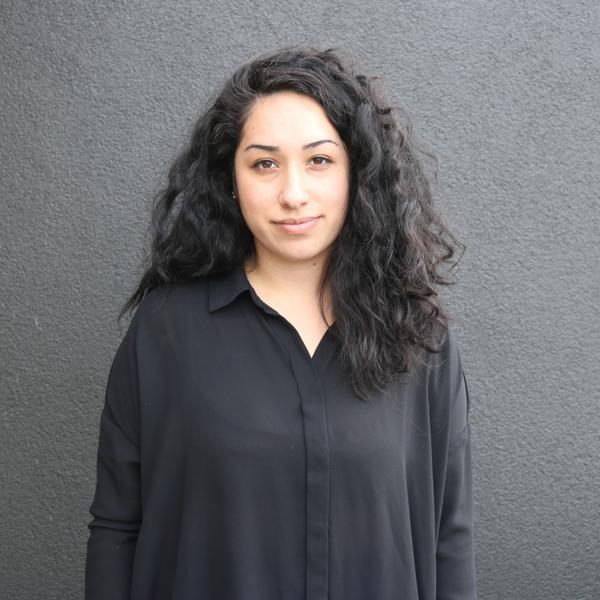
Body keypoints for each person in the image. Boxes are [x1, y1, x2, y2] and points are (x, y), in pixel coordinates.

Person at [85, 45, 476, 600]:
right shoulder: (165, 331)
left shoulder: (422, 341)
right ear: (230, 178)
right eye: (264, 163)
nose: (293, 194)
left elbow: (449, 537)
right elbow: (117, 528)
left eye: (319, 160)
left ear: (357, 174)